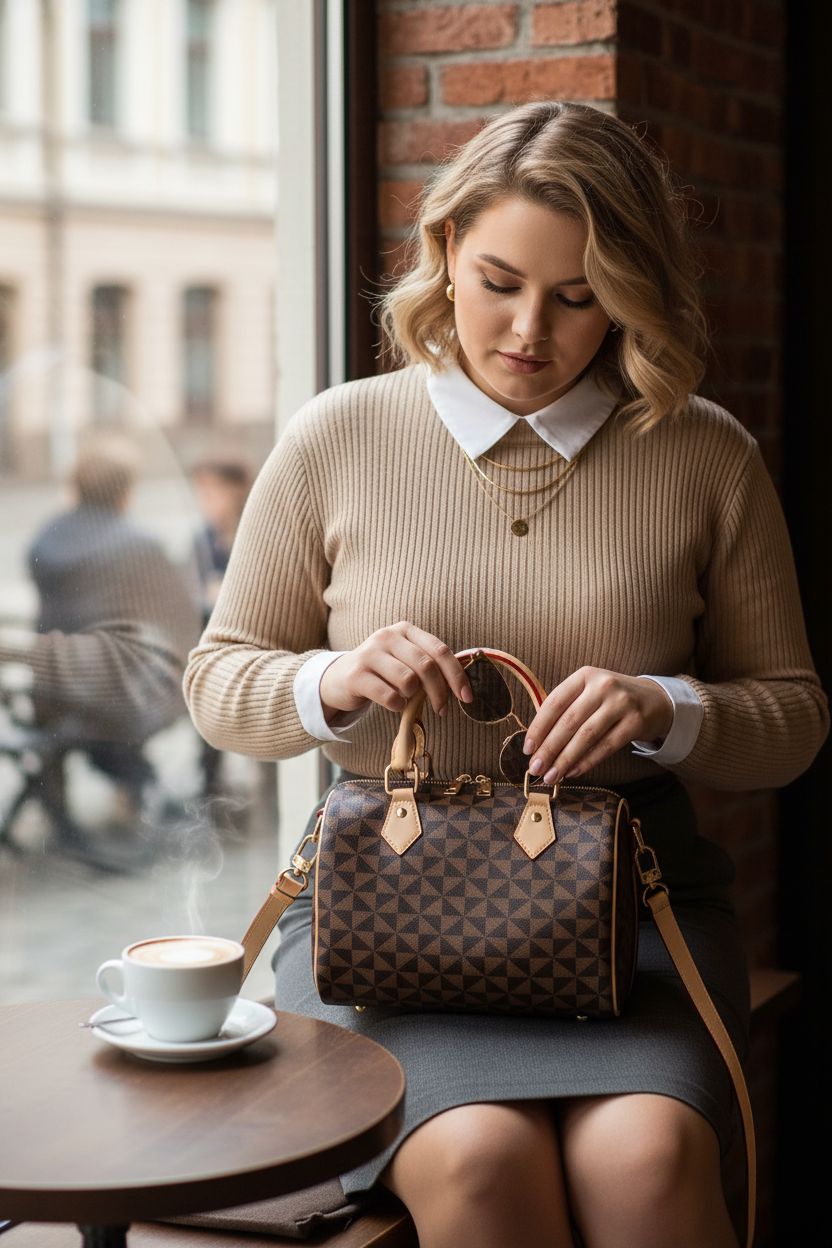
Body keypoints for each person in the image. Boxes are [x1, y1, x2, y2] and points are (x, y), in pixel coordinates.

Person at [183, 100, 829, 1248]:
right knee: (478, 1161)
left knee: (649, 1157)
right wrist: (332, 680)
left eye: (578, 297)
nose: (529, 328)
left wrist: (663, 707)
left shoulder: (703, 451)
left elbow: (791, 724)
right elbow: (217, 681)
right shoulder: (336, 435)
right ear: (442, 253)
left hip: (635, 917)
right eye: (497, 280)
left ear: (628, 295)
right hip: (384, 926)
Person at [15, 435, 201, 844]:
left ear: (76, 486)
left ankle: (125, 787)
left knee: (100, 711)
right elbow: (182, 620)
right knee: (185, 685)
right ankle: (144, 785)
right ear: (124, 490)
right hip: (118, 699)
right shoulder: (138, 545)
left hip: (53, 692)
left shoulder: (46, 538)